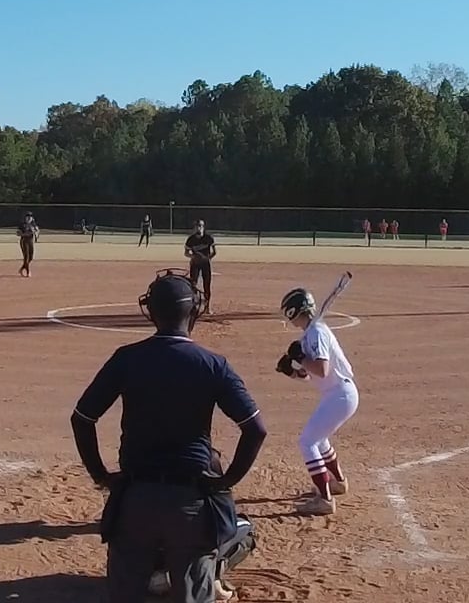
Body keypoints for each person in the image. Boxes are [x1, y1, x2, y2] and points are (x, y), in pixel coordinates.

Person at [72, 271, 267, 603]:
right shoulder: (213, 364)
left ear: (151, 311)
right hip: (190, 502)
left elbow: (82, 419)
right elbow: (255, 429)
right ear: (194, 311)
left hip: (134, 499)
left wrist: (101, 476)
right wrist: (225, 481)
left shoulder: (126, 358)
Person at [278, 286, 358, 516]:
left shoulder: (317, 333)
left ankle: (325, 500)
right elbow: (311, 375)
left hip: (340, 395)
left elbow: (321, 369)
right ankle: (338, 482)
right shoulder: (312, 334)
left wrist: (301, 357)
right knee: (319, 440)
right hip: (338, 394)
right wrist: (291, 371)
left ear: (294, 311)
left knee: (307, 442)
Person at [184, 220, 217, 310]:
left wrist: (207, 258)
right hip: (195, 264)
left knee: (207, 285)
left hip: (205, 264)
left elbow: (214, 252)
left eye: (200, 226)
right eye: (197, 226)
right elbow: (186, 253)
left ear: (203, 227)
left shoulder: (208, 238)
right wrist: (193, 256)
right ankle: (193, 307)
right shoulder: (191, 239)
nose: (199, 228)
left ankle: (207, 307)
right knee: (193, 284)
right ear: (194, 228)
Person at [18, 213, 39, 277]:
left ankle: (22, 268)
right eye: (28, 216)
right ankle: (28, 272)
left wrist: (36, 233)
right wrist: (25, 234)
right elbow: (18, 233)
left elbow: (37, 231)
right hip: (24, 241)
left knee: (31, 257)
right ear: (25, 218)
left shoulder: (33, 224)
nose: (29, 218)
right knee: (26, 257)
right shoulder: (22, 224)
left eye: (30, 216)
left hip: (30, 241)